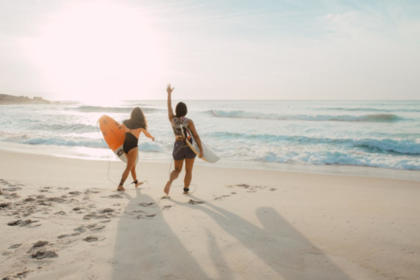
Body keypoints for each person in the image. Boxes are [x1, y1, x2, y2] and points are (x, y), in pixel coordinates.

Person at [164, 84, 203, 196]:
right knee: (189, 170)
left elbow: (169, 107)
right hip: (189, 147)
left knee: (177, 170)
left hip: (178, 146)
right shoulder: (189, 121)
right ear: (186, 111)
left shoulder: (172, 119)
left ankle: (170, 181)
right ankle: (186, 190)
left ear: (177, 110)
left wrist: (169, 94)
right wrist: (201, 150)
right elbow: (195, 136)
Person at [117, 107, 155, 191]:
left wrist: (127, 130)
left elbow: (119, 128)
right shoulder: (140, 125)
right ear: (141, 116)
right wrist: (152, 137)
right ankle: (120, 185)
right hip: (133, 148)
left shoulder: (125, 122)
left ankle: (136, 182)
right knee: (129, 167)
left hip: (125, 147)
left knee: (132, 166)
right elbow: (147, 134)